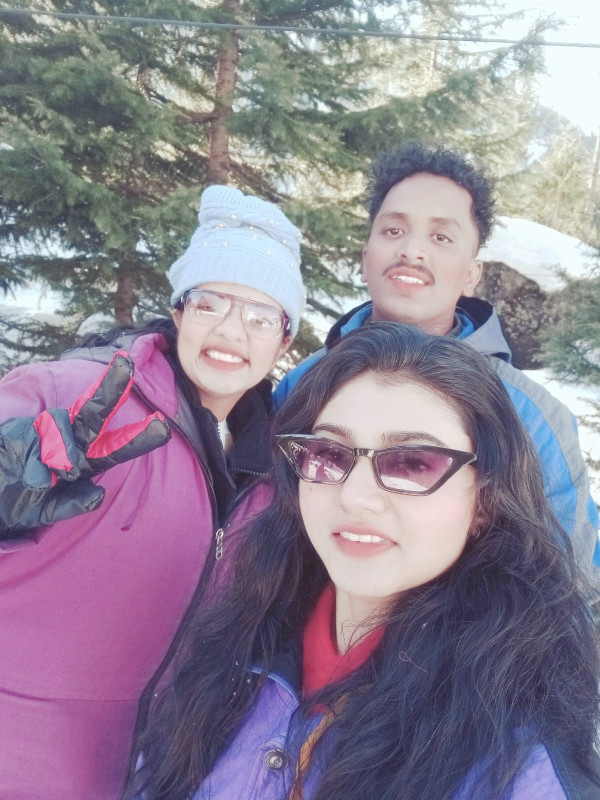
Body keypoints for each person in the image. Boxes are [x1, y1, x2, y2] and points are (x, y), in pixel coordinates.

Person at [130, 323, 600, 800]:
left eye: (413, 463)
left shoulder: (518, 758)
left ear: (485, 501)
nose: (355, 496)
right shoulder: (235, 644)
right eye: (329, 453)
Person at [0, 185, 305, 799]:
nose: (232, 330)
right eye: (211, 302)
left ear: (284, 341)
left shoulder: (276, 470)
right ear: (179, 310)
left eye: (260, 316)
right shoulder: (78, 393)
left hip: (148, 775)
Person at [274, 142, 600, 593]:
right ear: (366, 257)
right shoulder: (302, 383)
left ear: (471, 273)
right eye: (393, 230)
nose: (412, 250)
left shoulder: (531, 416)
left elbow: (570, 582)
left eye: (441, 237)